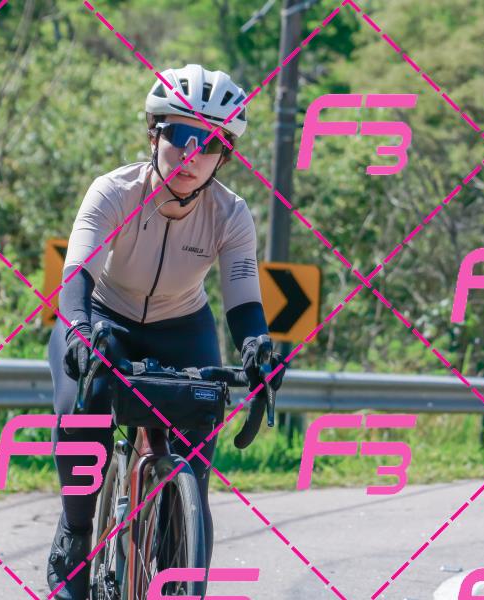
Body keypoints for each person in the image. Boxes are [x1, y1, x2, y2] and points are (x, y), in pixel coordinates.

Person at [46, 63, 286, 599]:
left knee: (195, 460)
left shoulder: (231, 215)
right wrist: (81, 332)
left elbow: (244, 301)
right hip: (102, 317)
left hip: (183, 326)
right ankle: (75, 535)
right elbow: (76, 278)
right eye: (181, 135)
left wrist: (257, 349)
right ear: (154, 134)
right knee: (83, 420)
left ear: (225, 155)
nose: (191, 155)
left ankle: (177, 561)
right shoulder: (113, 192)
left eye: (209, 143)